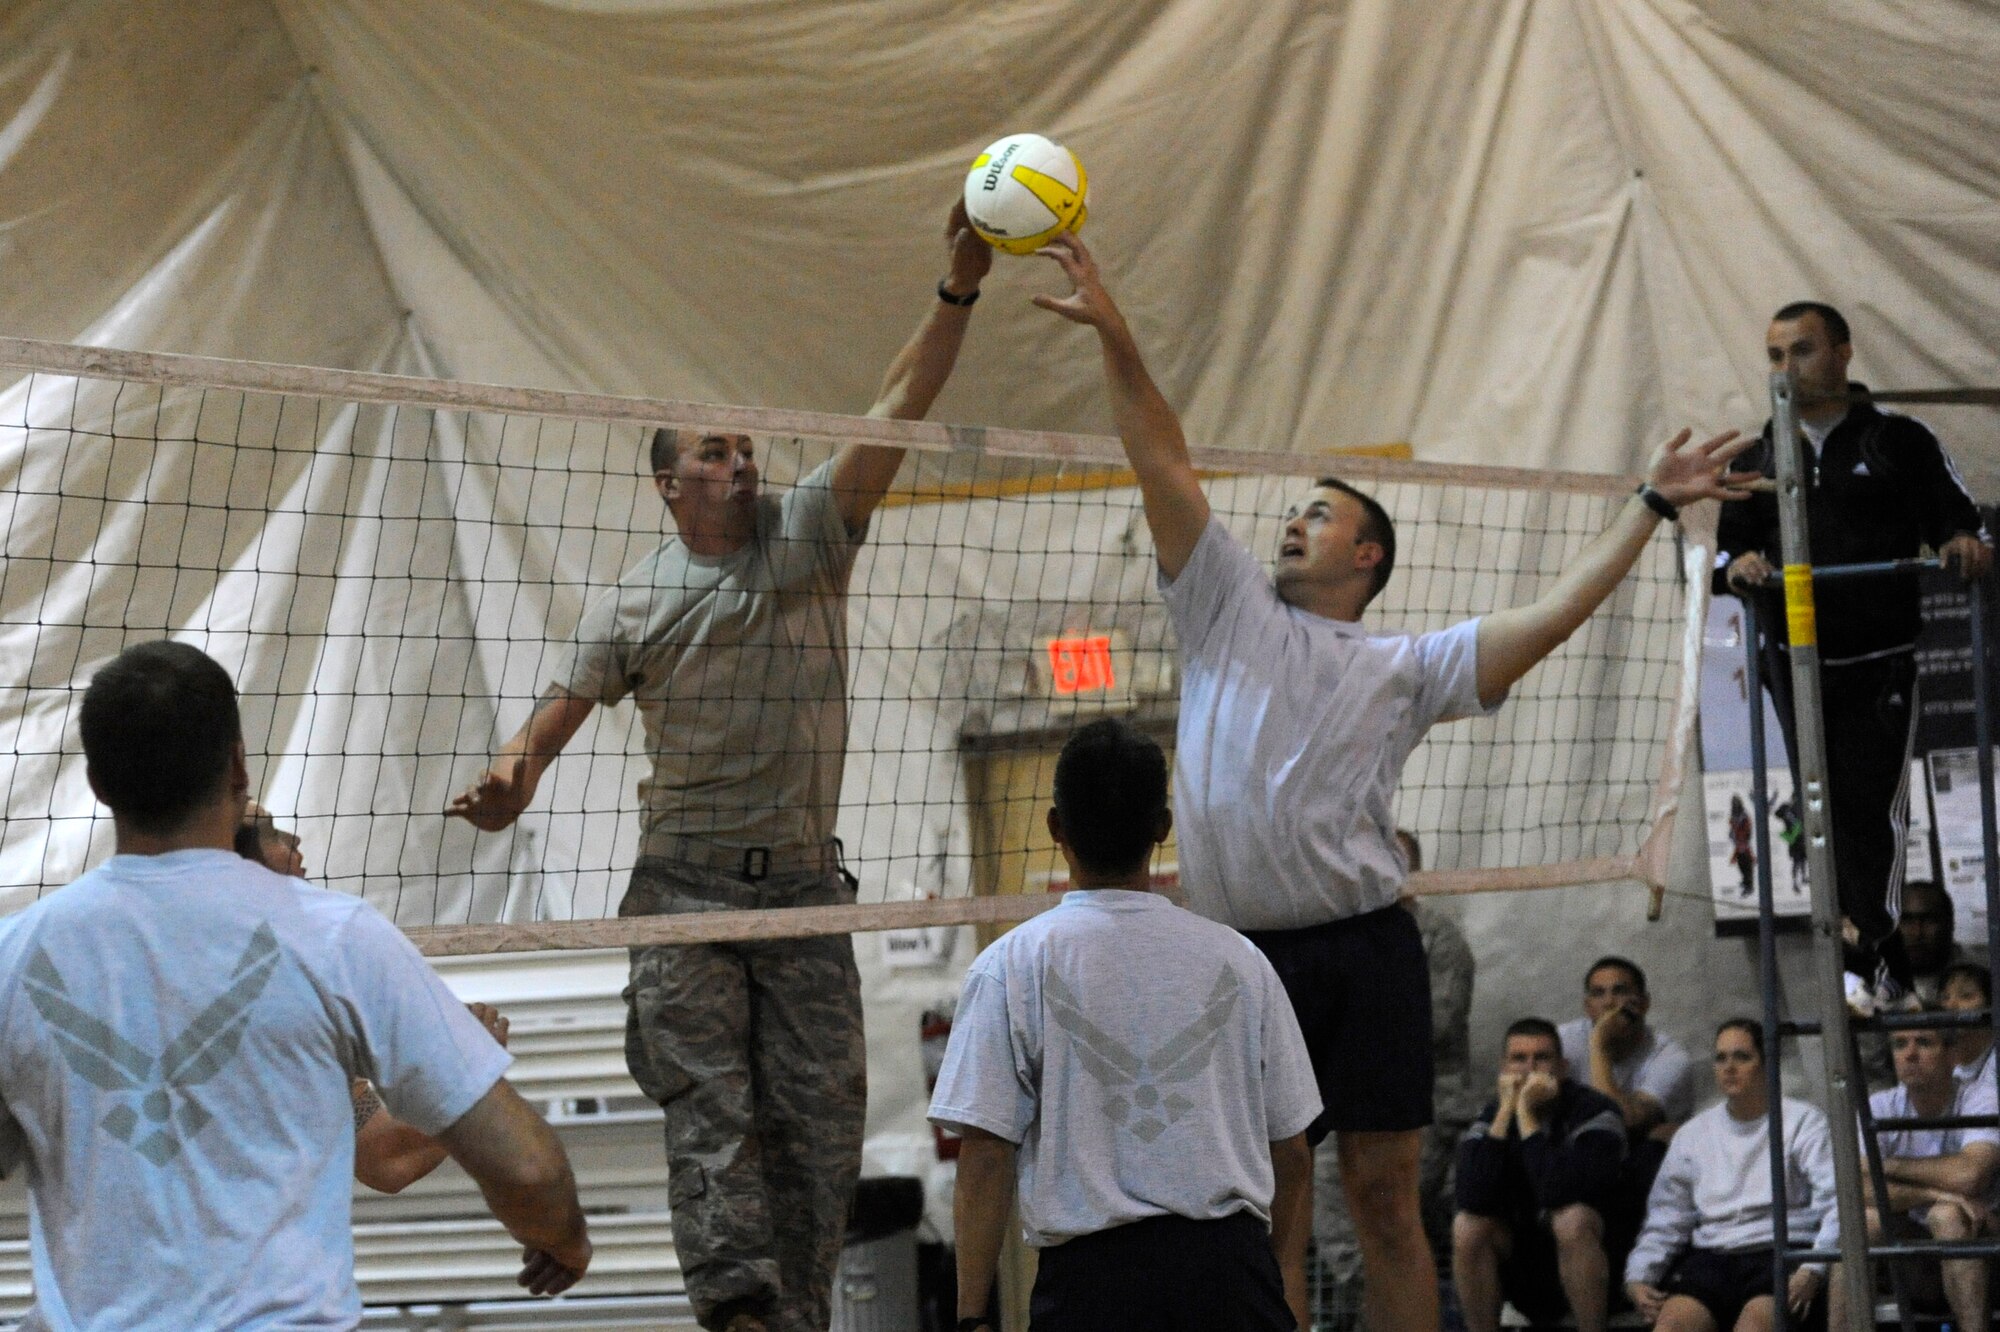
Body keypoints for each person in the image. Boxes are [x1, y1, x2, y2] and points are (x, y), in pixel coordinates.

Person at [1029, 227, 1751, 1331]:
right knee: (1261, 1196)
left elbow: (1549, 617)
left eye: (1320, 511)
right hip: (1239, 954)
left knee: (1380, 1198)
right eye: (1294, 508)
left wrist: (1648, 507)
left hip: (1364, 949)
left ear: (1365, 557)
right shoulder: (1222, 604)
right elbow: (1160, 455)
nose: (1292, 518)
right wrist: (1114, 332)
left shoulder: (1405, 666)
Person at [449, 202, 992, 1332]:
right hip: (685, 892)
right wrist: (508, 788)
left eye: (745, 446)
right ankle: (737, 1314)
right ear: (669, 483)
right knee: (713, 1119)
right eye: (714, 450)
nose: (740, 461)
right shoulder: (632, 603)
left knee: (818, 1125)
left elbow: (900, 401)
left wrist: (956, 286)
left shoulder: (811, 532)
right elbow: (543, 731)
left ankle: (794, 1313)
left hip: (800, 890)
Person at [0, 640, 589, 1327]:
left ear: (98, 782)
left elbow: (385, 1155)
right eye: (281, 834)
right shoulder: (335, 939)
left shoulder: (16, 956)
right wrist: (564, 1238)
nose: (297, 849)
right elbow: (527, 1170)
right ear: (238, 768)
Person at [928, 718, 1320, 1332]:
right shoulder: (1243, 963)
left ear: (1056, 827)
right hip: (1231, 1277)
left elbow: (983, 1157)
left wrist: (972, 1316)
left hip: (1090, 1289)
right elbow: (1293, 1152)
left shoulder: (1008, 966)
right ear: (1164, 829)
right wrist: (1278, 1278)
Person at [1717, 301, 1992, 1008]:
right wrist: (1739, 564)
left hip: (1883, 658)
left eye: (1802, 351)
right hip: (1795, 660)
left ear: (1842, 352)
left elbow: (1957, 522)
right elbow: (1724, 553)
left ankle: (1873, 949)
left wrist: (1963, 543)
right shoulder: (1756, 458)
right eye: (1775, 356)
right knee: (1820, 805)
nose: (1786, 369)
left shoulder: (1898, 440)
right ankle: (1866, 952)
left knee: (1872, 807)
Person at [236, 801, 513, 1194]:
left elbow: (385, 1156)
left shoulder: (301, 983)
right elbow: (386, 1158)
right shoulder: (298, 983)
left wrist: (466, 1075)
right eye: (268, 831)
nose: (294, 839)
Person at [1313, 830, 1478, 1327]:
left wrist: (1353, 1031)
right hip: (1352, 1104)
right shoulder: (1347, 936)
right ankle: (1374, 1308)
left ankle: (1390, 1310)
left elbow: (1440, 1022)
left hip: (1427, 1106)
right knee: (1326, 1201)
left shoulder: (1440, 938)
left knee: (1388, 1216)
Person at [1624, 1020, 1835, 1332]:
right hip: (1712, 1256)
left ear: (1766, 1063)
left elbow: (1835, 1202)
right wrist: (1639, 1276)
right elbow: (1668, 1215)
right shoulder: (1694, 1133)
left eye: (1742, 1057)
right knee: (1670, 1326)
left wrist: (1814, 1267)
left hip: (1780, 1249)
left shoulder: (1803, 1121)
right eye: (1720, 1058)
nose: (1729, 1067)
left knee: (1754, 1327)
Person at [1452, 1018, 1625, 1332]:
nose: (1529, 1069)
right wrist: (1506, 1112)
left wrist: (1526, 1116)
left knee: (1571, 1220)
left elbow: (1558, 1191)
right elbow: (1472, 1196)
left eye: (1541, 1058)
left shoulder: (1596, 1111)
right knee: (1467, 1226)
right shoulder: (1493, 1114)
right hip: (1523, 1266)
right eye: (1519, 1059)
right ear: (1504, 1068)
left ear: (1561, 1067)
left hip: (1597, 1264)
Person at [1835, 1023, 2000, 1330]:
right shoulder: (1880, 1106)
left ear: (1952, 1055)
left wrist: (1887, 1165)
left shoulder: (1979, 1096)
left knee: (1948, 1216)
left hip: (1985, 1246)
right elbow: (1853, 1189)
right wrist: (1933, 1193)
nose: (1910, 1054)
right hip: (1913, 1260)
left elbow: (1970, 1175)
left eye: (1923, 1042)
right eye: (1899, 1044)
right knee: (1863, 1220)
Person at [1941, 961, 1995, 1087]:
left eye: (1966, 996)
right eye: (1945, 997)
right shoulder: (1935, 1060)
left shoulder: (1994, 1063)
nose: (1951, 1005)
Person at [1728, 796, 1755, 898]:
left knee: (1747, 866)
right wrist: (1732, 834)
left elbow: (1748, 829)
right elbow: (1732, 827)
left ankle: (1749, 886)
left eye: (1736, 803)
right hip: (1738, 844)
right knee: (1741, 866)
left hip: (1744, 843)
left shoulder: (1744, 816)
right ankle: (1745, 881)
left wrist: (1743, 838)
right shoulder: (1733, 815)